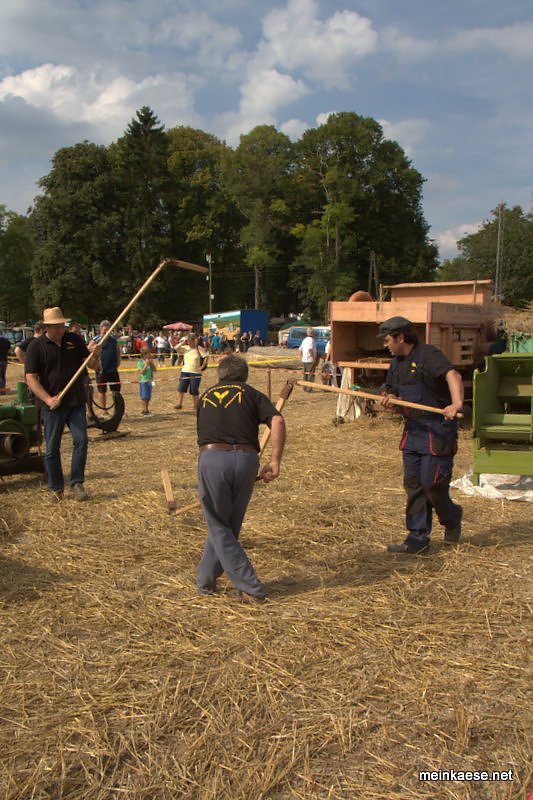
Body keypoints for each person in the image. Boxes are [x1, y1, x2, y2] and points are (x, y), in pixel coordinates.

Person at [195, 354, 286, 601]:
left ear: (219, 375)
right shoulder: (251, 393)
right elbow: (276, 420)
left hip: (213, 459)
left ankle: (251, 588)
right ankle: (204, 579)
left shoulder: (204, 397)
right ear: (243, 377)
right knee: (227, 526)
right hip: (246, 460)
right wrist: (275, 461)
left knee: (218, 524)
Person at [377, 316, 464, 554]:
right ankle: (417, 539)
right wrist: (389, 398)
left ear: (400, 337)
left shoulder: (428, 355)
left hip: (437, 429)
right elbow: (391, 389)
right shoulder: (396, 363)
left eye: (387, 340)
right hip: (413, 429)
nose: (386, 345)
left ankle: (452, 518)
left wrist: (455, 404)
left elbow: (452, 376)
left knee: (432, 484)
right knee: (414, 485)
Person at [25, 306, 100, 500]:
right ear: (45, 327)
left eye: (62, 326)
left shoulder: (74, 340)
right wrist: (48, 399)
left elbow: (91, 365)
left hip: (75, 402)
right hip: (52, 406)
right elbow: (31, 378)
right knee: (51, 448)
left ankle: (77, 483)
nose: (60, 330)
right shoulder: (36, 347)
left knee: (81, 441)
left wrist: (96, 354)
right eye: (55, 327)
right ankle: (56, 487)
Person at [92, 319, 121, 417]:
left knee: (116, 390)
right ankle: (104, 411)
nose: (106, 332)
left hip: (112, 369)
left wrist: (118, 360)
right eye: (105, 330)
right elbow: (88, 349)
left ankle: (117, 410)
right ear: (100, 329)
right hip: (101, 369)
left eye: (108, 330)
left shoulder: (113, 340)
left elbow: (117, 350)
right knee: (102, 390)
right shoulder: (96, 339)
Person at [174, 334, 209, 411]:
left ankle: (195, 406)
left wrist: (202, 367)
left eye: (189, 341)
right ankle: (179, 404)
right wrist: (183, 342)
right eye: (187, 341)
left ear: (194, 341)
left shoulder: (199, 348)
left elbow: (206, 357)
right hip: (185, 371)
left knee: (194, 390)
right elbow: (175, 348)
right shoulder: (185, 348)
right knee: (181, 389)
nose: (188, 343)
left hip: (195, 372)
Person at [137, 345, 156, 417]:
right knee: (144, 397)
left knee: (148, 397)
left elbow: (155, 370)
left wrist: (151, 364)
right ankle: (145, 411)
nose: (150, 355)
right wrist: (146, 364)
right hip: (144, 382)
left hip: (150, 381)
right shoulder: (140, 362)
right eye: (149, 353)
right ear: (144, 354)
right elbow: (142, 372)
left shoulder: (150, 362)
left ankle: (146, 409)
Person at [0, 328, 10, 392]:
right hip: (4, 360)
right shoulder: (6, 340)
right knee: (3, 375)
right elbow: (8, 350)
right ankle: (3, 390)